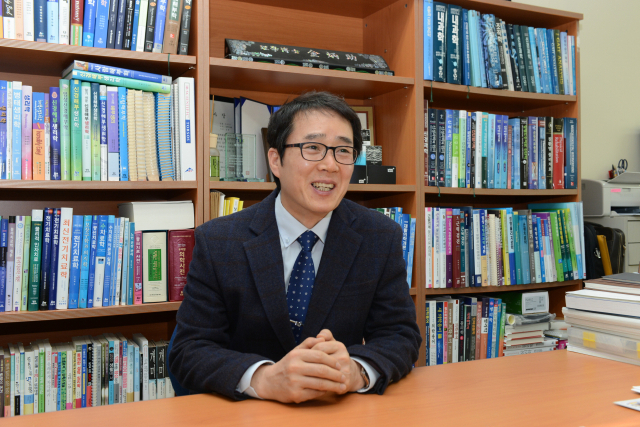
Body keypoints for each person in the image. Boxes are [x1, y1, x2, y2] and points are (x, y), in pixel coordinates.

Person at [169, 91, 421, 404]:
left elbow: (399, 334)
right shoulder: (219, 241)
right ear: (276, 160)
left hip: (336, 411)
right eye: (313, 148)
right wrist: (263, 379)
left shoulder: (379, 236)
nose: (330, 165)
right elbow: (189, 349)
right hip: (249, 414)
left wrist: (356, 371)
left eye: (343, 151)